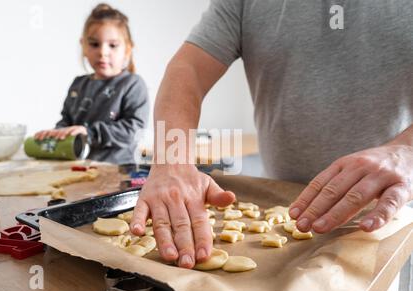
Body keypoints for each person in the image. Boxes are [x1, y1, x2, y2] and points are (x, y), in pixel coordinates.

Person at [130, 0, 413, 269]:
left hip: (392, 214)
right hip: (281, 208)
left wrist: (407, 150)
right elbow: (187, 70)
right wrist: (172, 160)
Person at [35, 4, 149, 164]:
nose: (103, 52)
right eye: (94, 44)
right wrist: (57, 134)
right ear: (83, 46)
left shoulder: (132, 84)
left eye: (113, 45)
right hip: (79, 168)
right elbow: (67, 121)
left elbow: (133, 130)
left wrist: (90, 132)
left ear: (128, 49)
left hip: (118, 172)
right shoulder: (78, 84)